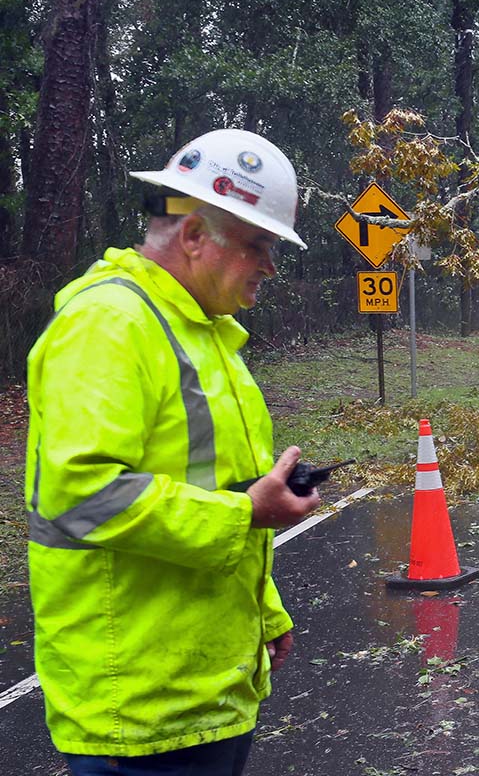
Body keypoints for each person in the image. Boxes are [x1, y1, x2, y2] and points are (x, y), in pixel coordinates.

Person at [24, 129, 320, 775]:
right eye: (258, 244)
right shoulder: (109, 324)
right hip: (138, 712)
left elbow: (221, 485)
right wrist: (246, 514)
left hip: (203, 694)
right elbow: (81, 494)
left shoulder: (203, 331)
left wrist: (264, 612)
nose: (269, 266)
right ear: (192, 235)